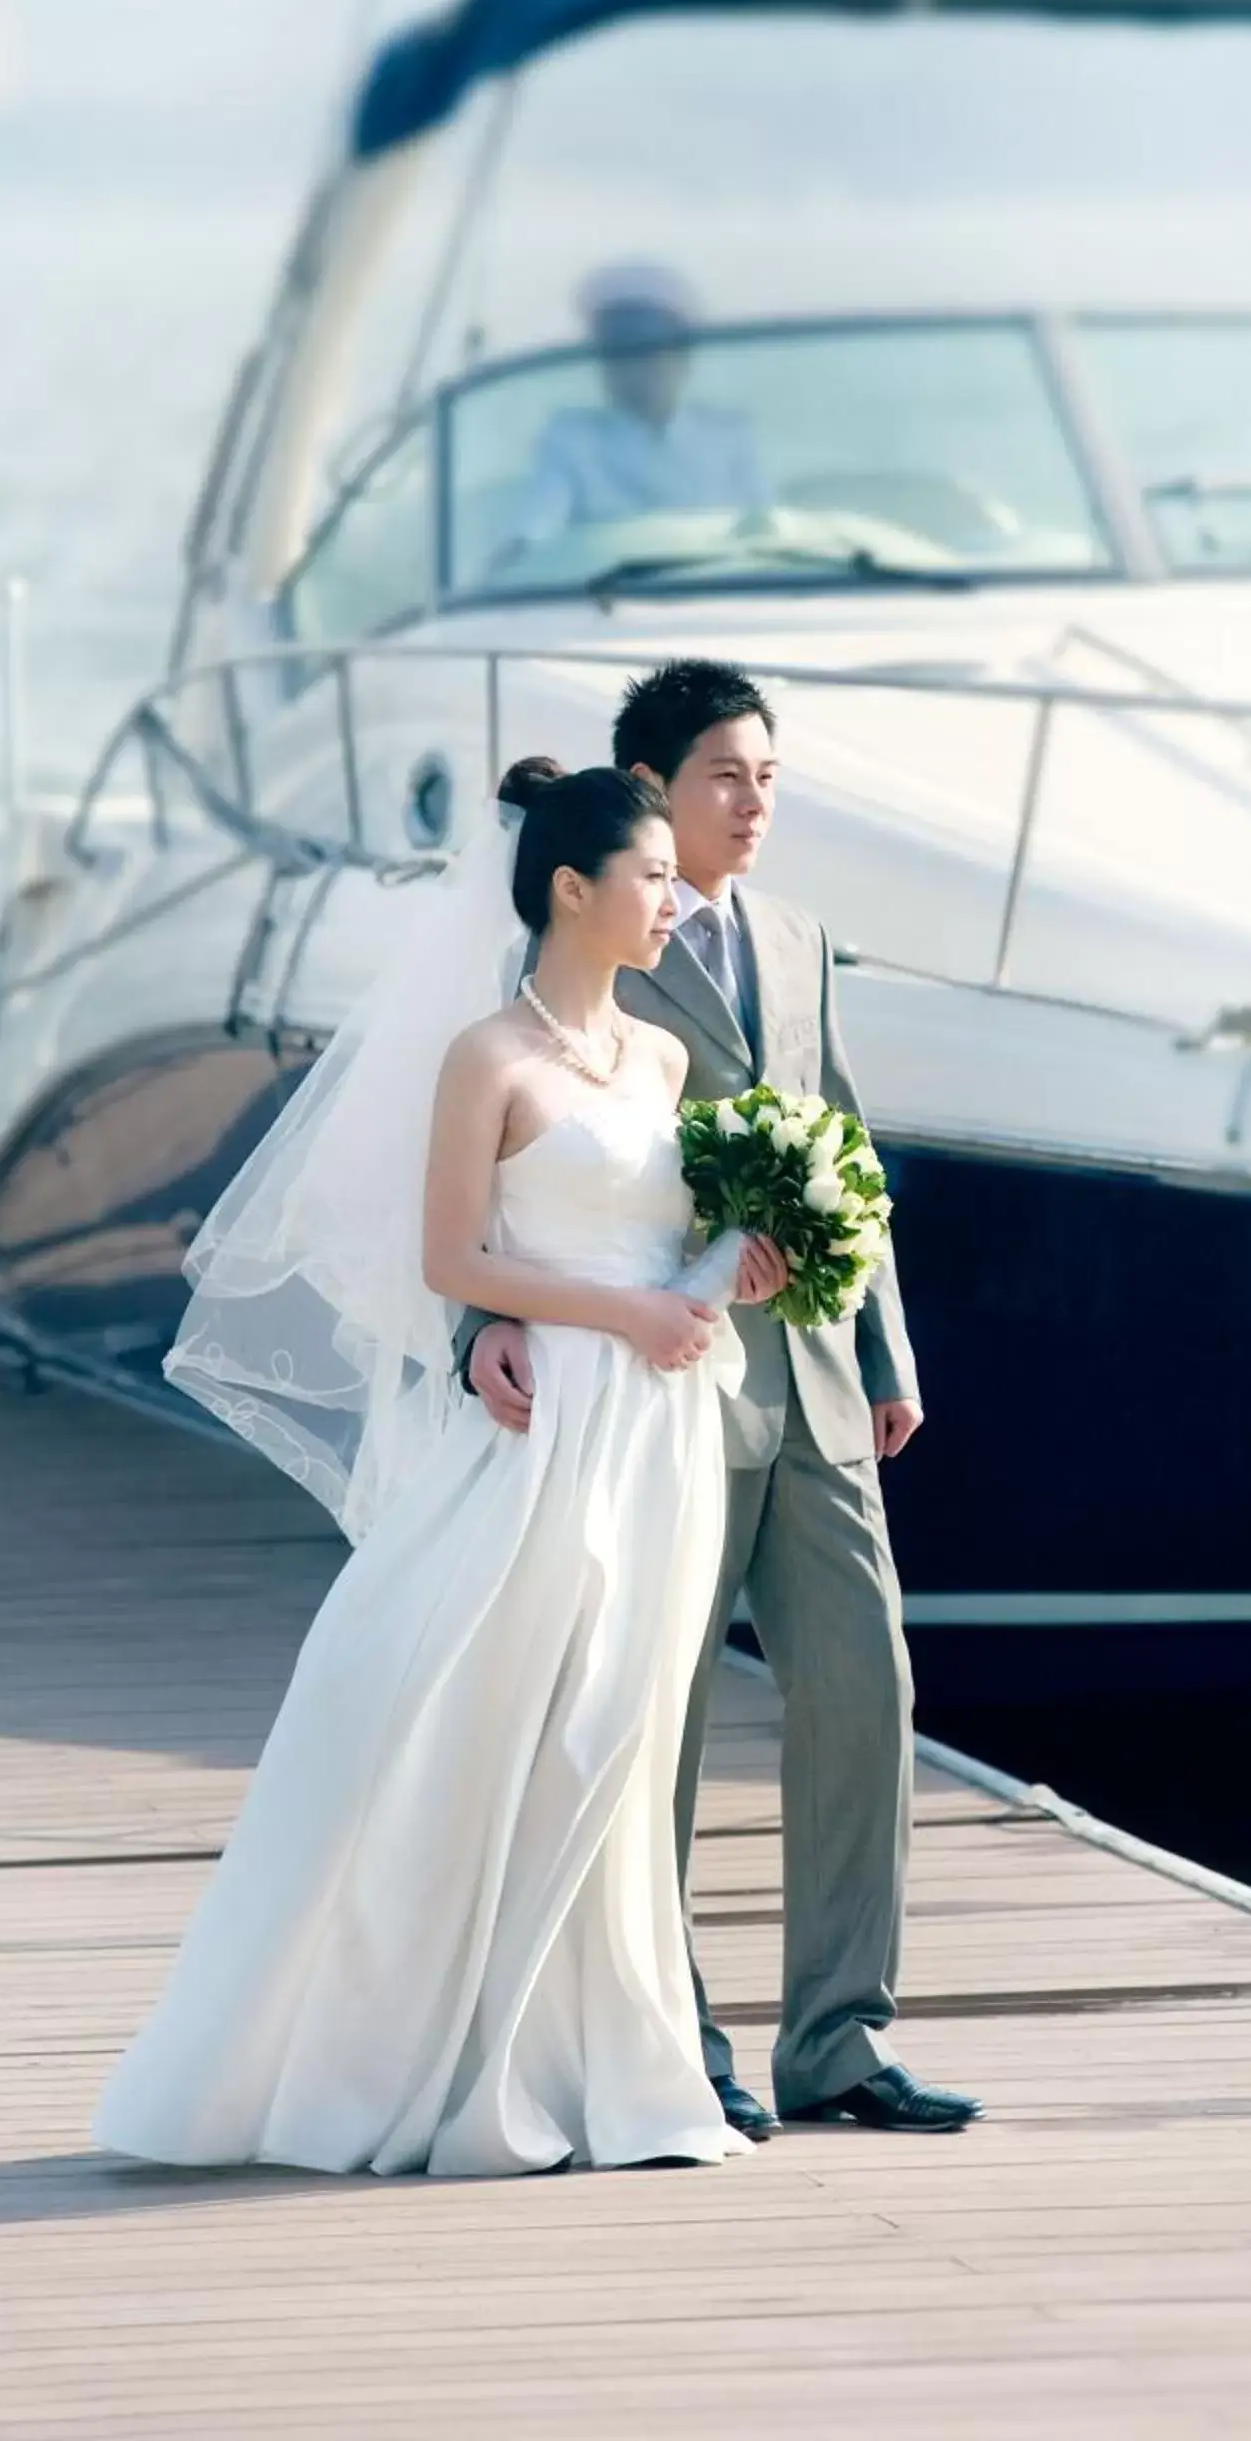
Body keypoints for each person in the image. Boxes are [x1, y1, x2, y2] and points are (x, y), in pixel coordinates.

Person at [94, 759, 791, 2177]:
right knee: (486, 1714)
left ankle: (610, 2069)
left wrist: (734, 1276)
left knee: (627, 1734)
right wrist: (612, 1317)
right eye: (651, 876)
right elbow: (452, 1258)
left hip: (658, 1433)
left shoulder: (660, 1062)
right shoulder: (488, 1056)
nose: (673, 898)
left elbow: (669, 1253)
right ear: (571, 888)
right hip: (548, 1426)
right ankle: (417, 2053)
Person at [461, 659, 983, 2141]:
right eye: (725, 779)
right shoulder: (600, 930)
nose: (754, 804)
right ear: (654, 790)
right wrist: (480, 1322)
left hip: (815, 1382)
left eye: (769, 777)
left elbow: (844, 1139)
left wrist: (886, 1347)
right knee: (660, 1721)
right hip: (660, 1386)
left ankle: (840, 2041)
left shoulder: (803, 937)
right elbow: (512, 1141)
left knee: (865, 1693)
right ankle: (677, 2038)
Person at [489, 263, 766, 562]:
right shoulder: (571, 442)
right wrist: (512, 556)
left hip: (719, 593)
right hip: (605, 599)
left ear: (683, 358)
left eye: (648, 351)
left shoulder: (727, 438)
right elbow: (535, 526)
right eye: (617, 354)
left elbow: (765, 532)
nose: (633, 369)